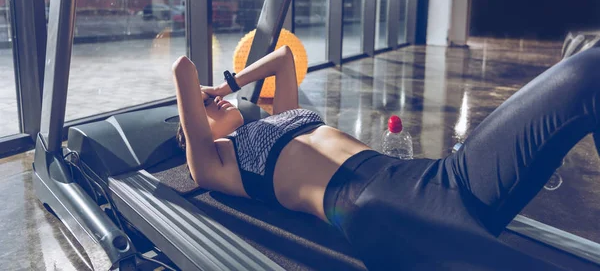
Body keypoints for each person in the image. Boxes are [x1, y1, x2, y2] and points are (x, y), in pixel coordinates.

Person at [173, 45, 600, 270]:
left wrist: (227, 87)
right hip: (384, 213)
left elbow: (284, 59)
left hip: (433, 178)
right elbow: (182, 70)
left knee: (588, 72)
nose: (214, 104)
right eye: (204, 108)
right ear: (194, 129)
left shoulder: (280, 117)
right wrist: (199, 98)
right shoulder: (217, 164)